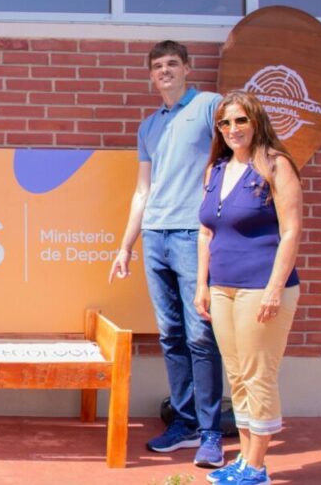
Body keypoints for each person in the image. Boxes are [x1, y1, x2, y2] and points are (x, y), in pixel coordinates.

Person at [108, 40, 225, 467]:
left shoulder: (210, 106)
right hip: (155, 236)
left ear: (187, 68)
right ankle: (185, 422)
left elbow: (236, 155)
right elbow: (143, 190)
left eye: (173, 63)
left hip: (194, 235)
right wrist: (126, 246)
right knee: (171, 335)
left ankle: (211, 433)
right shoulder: (149, 127)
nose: (165, 71)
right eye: (158, 66)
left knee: (200, 334)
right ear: (150, 75)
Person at [195, 92, 302, 485]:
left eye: (241, 120)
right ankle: (244, 460)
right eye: (225, 123)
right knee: (238, 375)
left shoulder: (276, 164)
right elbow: (206, 232)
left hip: (261, 287)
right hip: (222, 288)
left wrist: (275, 288)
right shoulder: (216, 169)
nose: (232, 129)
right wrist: (202, 285)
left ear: (256, 122)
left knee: (259, 375)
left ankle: (256, 468)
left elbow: (291, 231)